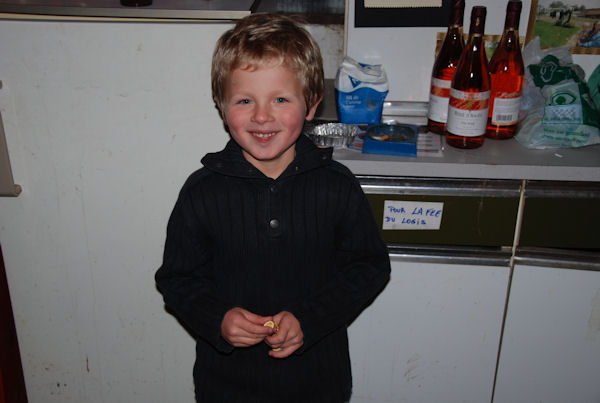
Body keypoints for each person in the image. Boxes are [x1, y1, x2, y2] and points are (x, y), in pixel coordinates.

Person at [155, 13, 391, 403]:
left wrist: (310, 319)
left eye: (280, 99)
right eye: (245, 100)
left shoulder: (338, 187)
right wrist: (218, 319)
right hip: (226, 386)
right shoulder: (201, 193)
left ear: (311, 105)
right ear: (221, 106)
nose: (262, 115)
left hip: (318, 383)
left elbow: (369, 267)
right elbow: (177, 280)